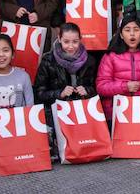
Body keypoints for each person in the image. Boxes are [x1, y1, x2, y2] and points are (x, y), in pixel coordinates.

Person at [34, 22, 99, 160]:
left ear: (80, 39)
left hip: (81, 112)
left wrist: (87, 90)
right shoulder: (48, 60)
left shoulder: (90, 61)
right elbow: (39, 93)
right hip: (57, 112)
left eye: (75, 42)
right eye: (66, 42)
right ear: (59, 39)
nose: (71, 46)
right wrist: (59, 93)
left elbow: (97, 89)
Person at [95, 18, 140, 120]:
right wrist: (125, 86)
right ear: (121, 35)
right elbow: (101, 87)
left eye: (136, 30)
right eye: (127, 30)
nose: (132, 34)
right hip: (114, 113)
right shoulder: (110, 57)